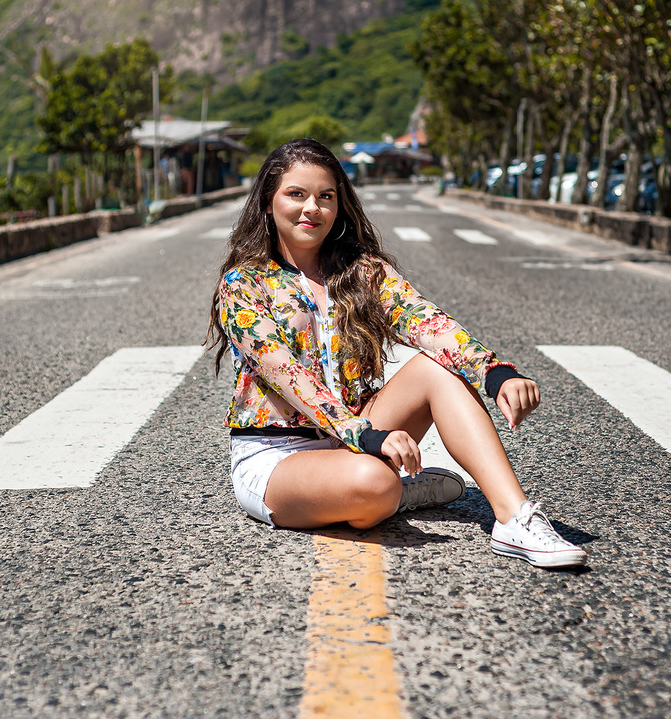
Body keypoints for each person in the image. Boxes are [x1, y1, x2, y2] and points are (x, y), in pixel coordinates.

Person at [206, 138, 588, 568]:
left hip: (358, 433)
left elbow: (425, 321)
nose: (312, 208)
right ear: (268, 202)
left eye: (326, 196)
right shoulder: (243, 284)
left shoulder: (361, 271)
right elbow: (289, 376)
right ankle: (396, 491)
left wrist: (495, 372)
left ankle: (514, 518)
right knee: (375, 484)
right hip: (280, 456)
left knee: (438, 369)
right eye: (296, 194)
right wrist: (365, 436)